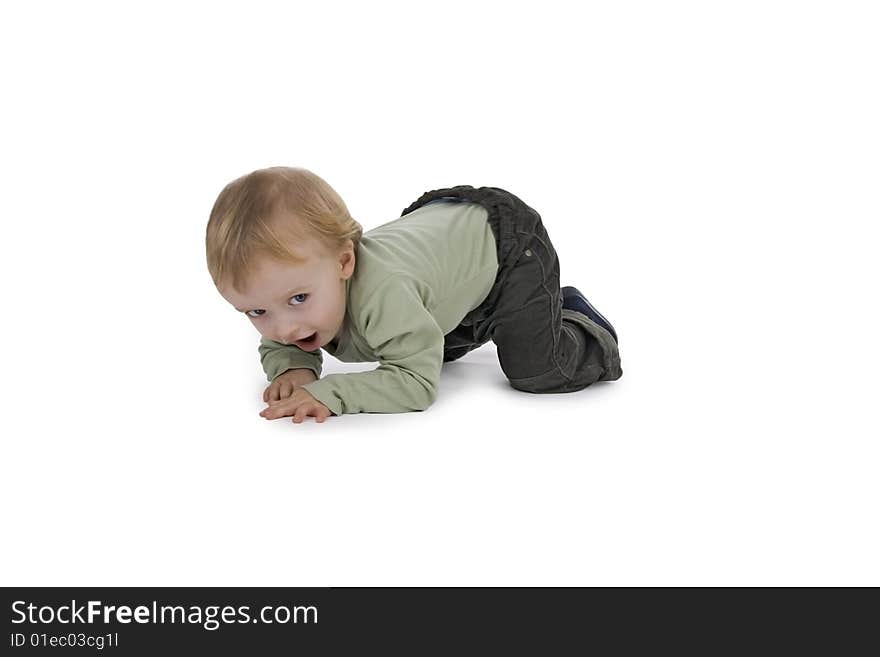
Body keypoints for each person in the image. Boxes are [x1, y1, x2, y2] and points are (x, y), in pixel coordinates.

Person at [205, 166, 622, 423]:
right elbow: (281, 337)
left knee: (536, 370)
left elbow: (416, 383)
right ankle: (499, 313)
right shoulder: (295, 292)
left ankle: (572, 315)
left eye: (298, 300)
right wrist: (292, 367)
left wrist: (332, 394)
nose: (283, 327)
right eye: (256, 311)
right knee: (434, 344)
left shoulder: (385, 295)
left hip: (508, 244)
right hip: (441, 234)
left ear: (344, 263)